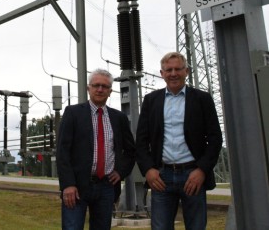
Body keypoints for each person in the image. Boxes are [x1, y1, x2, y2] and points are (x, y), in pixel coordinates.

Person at [136, 52, 222, 230]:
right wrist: (148, 170)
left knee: (196, 226)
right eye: (169, 70)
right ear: (162, 73)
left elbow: (215, 138)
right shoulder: (151, 101)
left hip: (193, 176)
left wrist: (202, 170)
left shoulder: (202, 99)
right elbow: (141, 141)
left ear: (187, 71)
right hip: (161, 177)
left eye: (178, 69)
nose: (173, 73)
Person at [56, 68, 135, 230]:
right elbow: (62, 152)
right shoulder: (73, 113)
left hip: (106, 187)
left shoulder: (118, 118)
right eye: (96, 85)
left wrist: (120, 172)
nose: (100, 89)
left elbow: (130, 151)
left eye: (105, 86)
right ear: (88, 88)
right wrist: (68, 185)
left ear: (110, 91)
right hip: (76, 187)